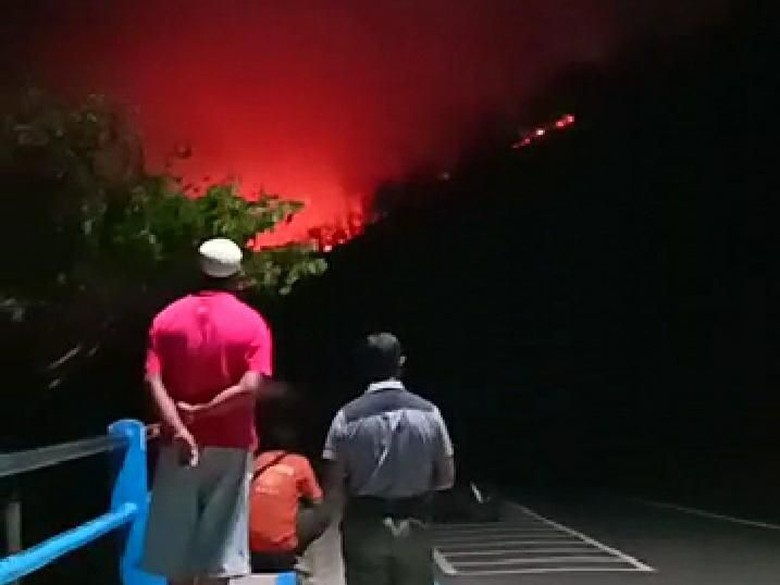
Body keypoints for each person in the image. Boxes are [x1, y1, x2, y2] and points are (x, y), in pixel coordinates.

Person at [142, 237, 273, 585]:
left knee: (178, 556)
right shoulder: (252, 323)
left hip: (177, 447)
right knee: (219, 555)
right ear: (236, 274)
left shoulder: (166, 318)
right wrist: (203, 411)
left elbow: (154, 380)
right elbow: (249, 388)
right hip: (231, 446)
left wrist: (181, 427)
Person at [322, 333, 456, 585]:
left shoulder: (346, 417)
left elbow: (332, 484)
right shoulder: (429, 413)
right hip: (414, 522)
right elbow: (447, 478)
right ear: (401, 363)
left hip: (365, 523)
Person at [249, 423, 328, 574]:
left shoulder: (258, 461)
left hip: (249, 545)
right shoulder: (300, 462)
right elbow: (317, 501)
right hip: (281, 550)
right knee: (319, 514)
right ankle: (297, 555)